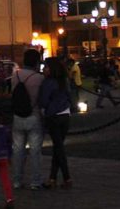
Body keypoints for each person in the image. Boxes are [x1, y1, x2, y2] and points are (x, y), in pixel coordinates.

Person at [11, 48, 45, 190]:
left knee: (18, 150)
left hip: (17, 116)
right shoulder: (39, 78)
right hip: (33, 115)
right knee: (35, 150)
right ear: (36, 62)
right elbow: (41, 99)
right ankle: (35, 181)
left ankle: (17, 180)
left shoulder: (15, 76)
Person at [38, 57, 73, 188]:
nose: (44, 70)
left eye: (46, 67)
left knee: (58, 148)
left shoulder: (48, 83)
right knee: (58, 147)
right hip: (65, 114)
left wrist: (45, 109)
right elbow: (70, 96)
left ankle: (67, 177)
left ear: (51, 68)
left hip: (53, 116)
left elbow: (43, 101)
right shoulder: (64, 81)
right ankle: (53, 178)